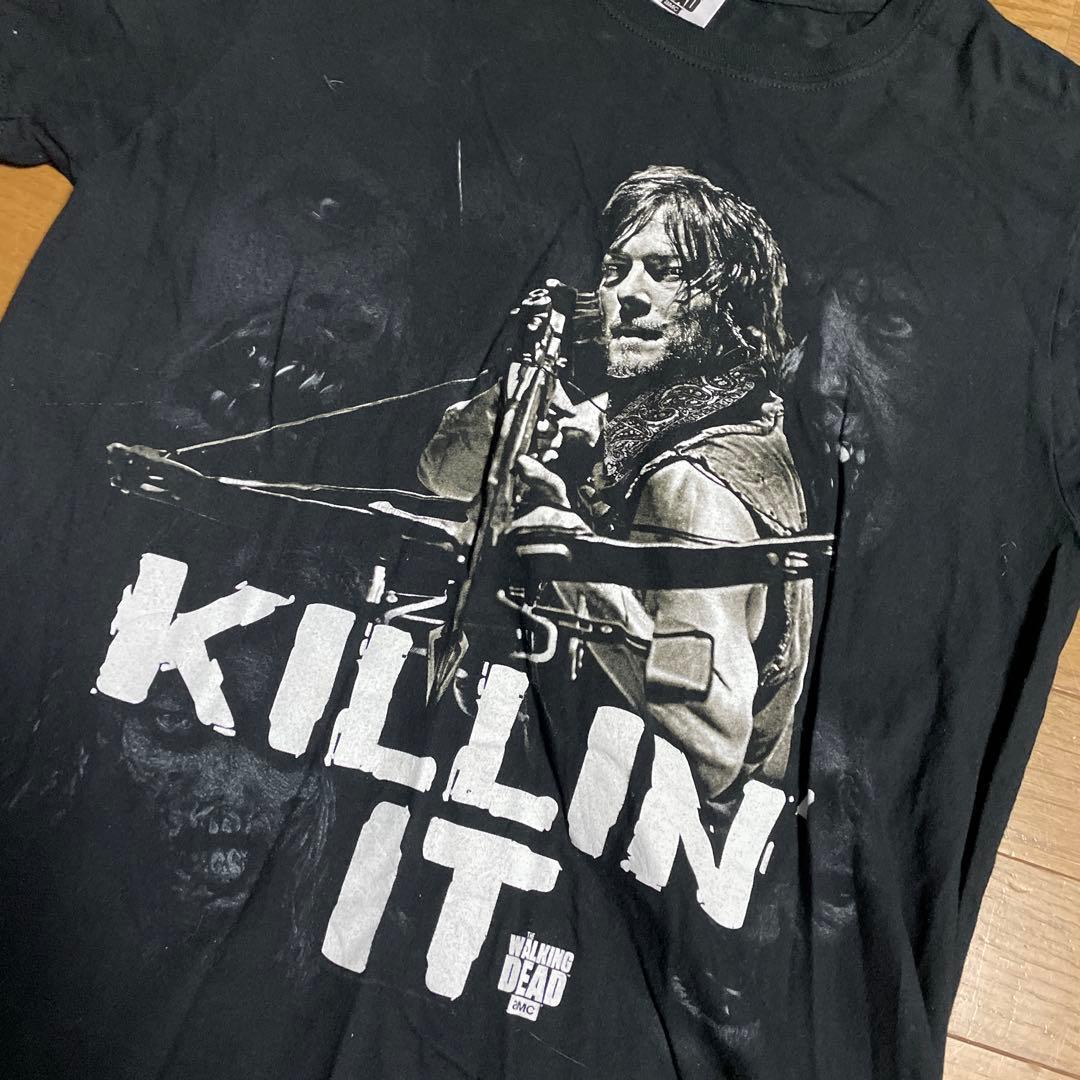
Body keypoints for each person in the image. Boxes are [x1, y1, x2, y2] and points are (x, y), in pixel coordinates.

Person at [419, 165, 814, 801]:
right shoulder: (670, 415)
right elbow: (442, 477)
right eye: (614, 270)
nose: (628, 293)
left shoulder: (692, 490)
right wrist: (515, 402)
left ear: (728, 306)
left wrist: (571, 557)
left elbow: (710, 750)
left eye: (665, 271)